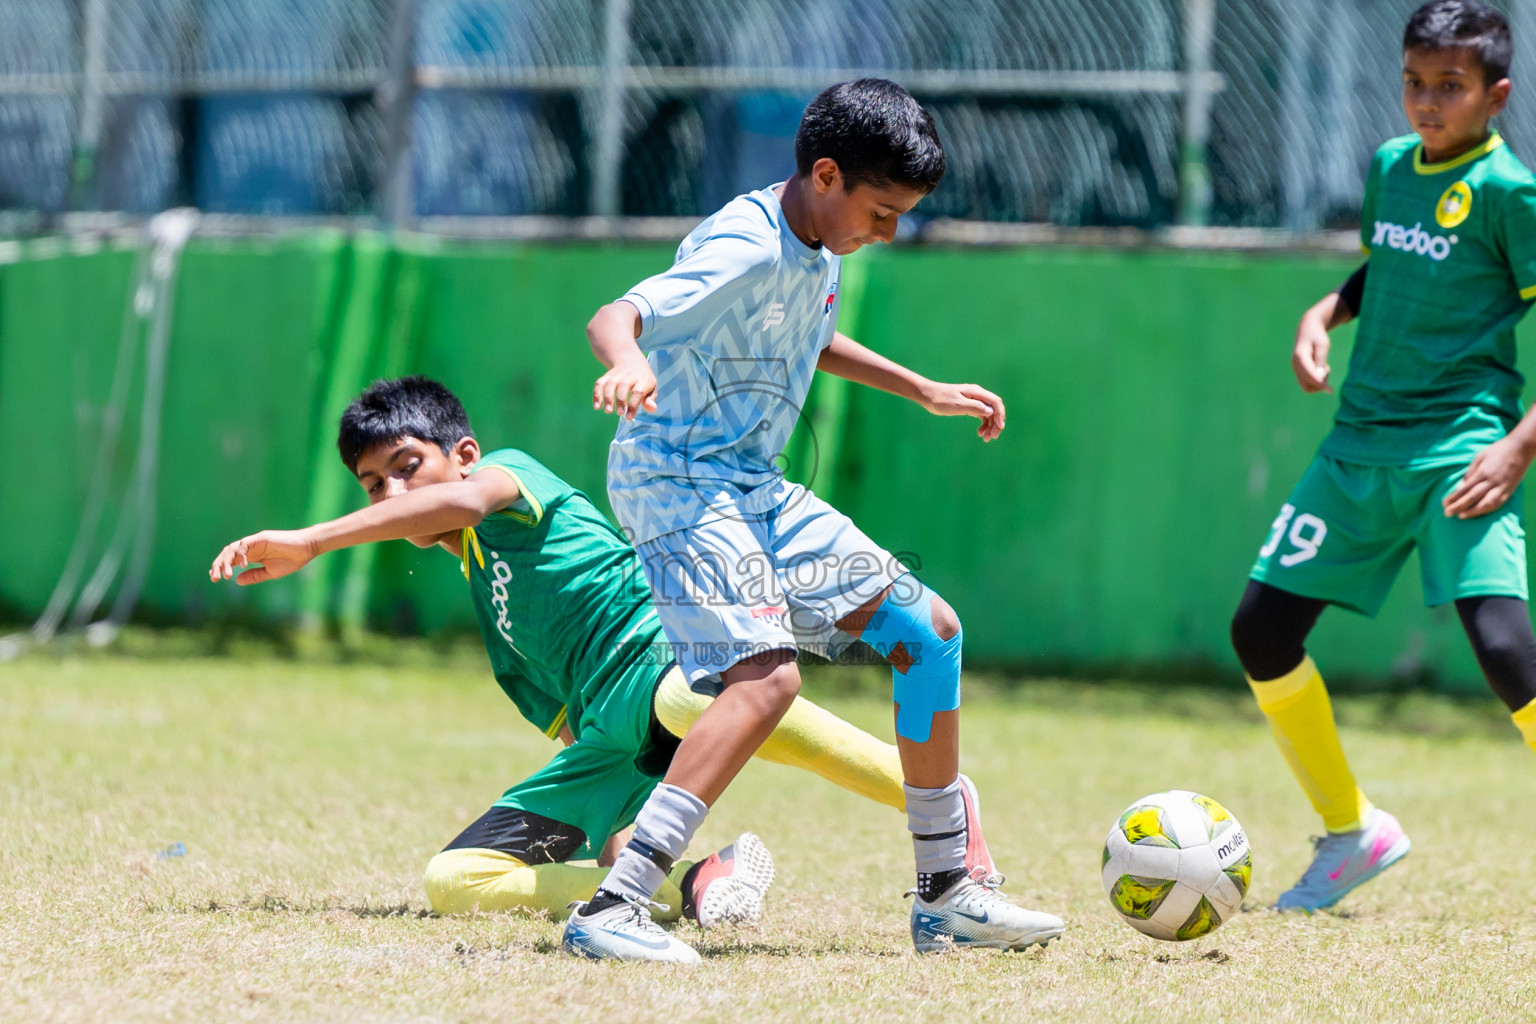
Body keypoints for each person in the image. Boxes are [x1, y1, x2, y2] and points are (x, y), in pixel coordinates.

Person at [576, 78, 1062, 962]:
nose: (890, 233)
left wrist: (922, 388)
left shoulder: (816, 239)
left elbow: (807, 336)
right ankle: (616, 903)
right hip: (677, 481)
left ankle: (947, 892)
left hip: (750, 482)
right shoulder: (742, 245)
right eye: (883, 212)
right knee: (767, 681)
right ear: (827, 175)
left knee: (929, 630)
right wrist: (628, 365)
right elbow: (619, 314)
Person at [209, 375, 950, 936]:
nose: (389, 494)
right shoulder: (495, 613)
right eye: (373, 484)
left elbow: (460, 504)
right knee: (454, 881)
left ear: (462, 455)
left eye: (407, 467)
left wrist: (310, 541)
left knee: (691, 697)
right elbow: (583, 748)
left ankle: (942, 806)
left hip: (663, 657)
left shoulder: (506, 480)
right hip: (612, 732)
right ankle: (693, 883)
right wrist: (615, 849)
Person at [1231, 0, 1536, 912]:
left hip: (1463, 451)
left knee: (1505, 647)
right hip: (1358, 448)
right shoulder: (1390, 168)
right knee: (1261, 631)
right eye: (1415, 81)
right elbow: (1388, 269)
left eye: (1451, 86)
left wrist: (1518, 448)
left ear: (1497, 95)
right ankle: (1352, 829)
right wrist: (1323, 313)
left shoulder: (1511, 193)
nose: (1427, 102)